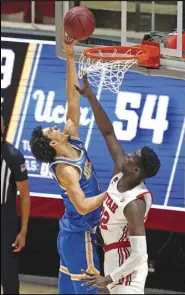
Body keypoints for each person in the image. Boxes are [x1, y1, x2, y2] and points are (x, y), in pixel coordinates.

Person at [29, 35, 104, 295]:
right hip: (79, 236)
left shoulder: (72, 140)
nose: (55, 126)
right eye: (51, 130)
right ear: (52, 144)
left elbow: (73, 100)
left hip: (70, 234)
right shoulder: (65, 169)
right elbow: (83, 206)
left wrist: (70, 56)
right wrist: (113, 192)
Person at [75, 74, 161, 294]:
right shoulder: (119, 175)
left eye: (134, 156)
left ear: (137, 170)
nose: (128, 154)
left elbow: (140, 255)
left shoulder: (135, 203)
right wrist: (91, 98)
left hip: (128, 269)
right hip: (113, 260)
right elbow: (108, 132)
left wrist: (109, 279)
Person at [1, 115, 31, 294]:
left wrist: (24, 230)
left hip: (5, 220)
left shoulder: (12, 156)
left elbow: (25, 196)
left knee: (9, 275)